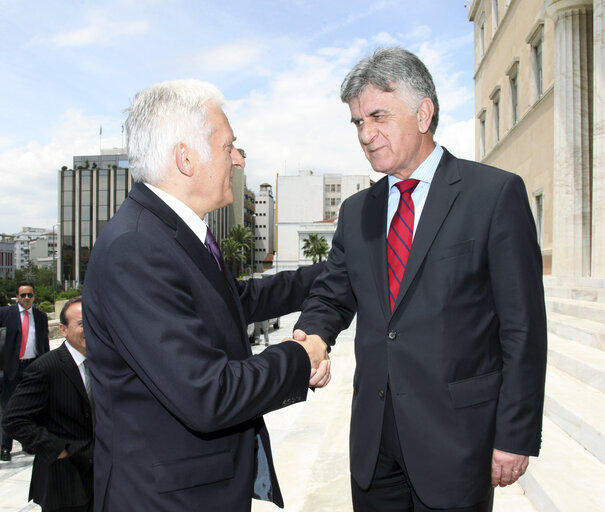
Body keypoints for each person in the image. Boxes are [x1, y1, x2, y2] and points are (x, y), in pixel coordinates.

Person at [293, 47, 547, 512]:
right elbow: (332, 294)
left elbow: (522, 327)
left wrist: (515, 433)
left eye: (377, 117)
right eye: (357, 123)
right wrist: (311, 337)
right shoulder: (356, 212)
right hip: (375, 445)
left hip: (457, 443)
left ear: (423, 112)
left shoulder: (493, 195)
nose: (366, 135)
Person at [82, 79, 330, 512]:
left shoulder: (170, 235)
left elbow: (239, 301)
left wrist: (335, 273)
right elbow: (208, 393)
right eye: (229, 146)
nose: (237, 159)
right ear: (186, 158)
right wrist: (299, 358)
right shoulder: (135, 248)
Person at [3, 297, 94, 512]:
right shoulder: (46, 368)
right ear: (62, 329)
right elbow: (13, 419)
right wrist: (57, 449)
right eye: (82, 324)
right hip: (62, 481)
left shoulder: (102, 364)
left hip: (96, 477)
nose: (89, 330)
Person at [0, 281, 49, 461]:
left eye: (30, 295)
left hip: (33, 367)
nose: (27, 298)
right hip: (12, 368)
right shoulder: (5, 314)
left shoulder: (40, 316)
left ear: (34, 296)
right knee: (9, 407)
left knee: (32, 406)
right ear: (17, 297)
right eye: (23, 295)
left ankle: (29, 443)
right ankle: (5, 447)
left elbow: (44, 343)